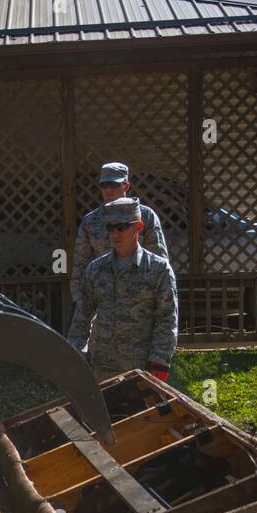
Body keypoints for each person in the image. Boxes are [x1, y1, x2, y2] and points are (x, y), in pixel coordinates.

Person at [67, 197, 178, 383]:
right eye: (110, 228)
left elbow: (167, 319)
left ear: (138, 227)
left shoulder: (158, 269)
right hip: (101, 368)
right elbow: (82, 317)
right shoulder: (95, 270)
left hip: (141, 369)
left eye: (122, 227)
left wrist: (159, 361)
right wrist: (76, 354)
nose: (115, 234)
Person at [73, 162, 169, 299]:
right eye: (104, 185)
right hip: (104, 298)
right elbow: (80, 264)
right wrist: (78, 300)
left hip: (140, 296)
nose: (108, 190)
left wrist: (161, 297)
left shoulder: (145, 216)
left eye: (114, 184)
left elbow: (159, 259)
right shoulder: (90, 221)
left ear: (126, 186)